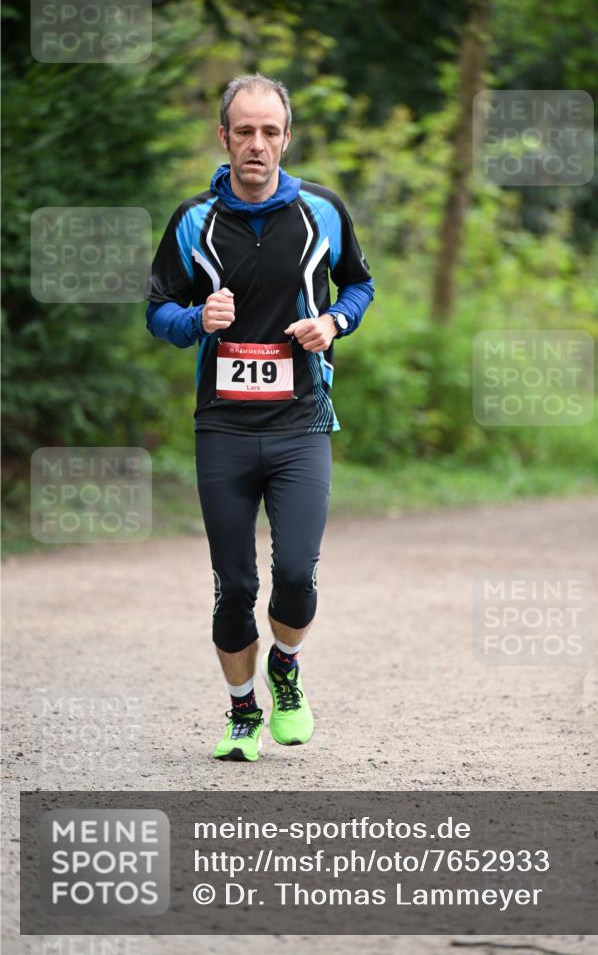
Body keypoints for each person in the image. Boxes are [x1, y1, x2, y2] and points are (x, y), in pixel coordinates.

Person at [145, 74, 373, 761]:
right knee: (235, 584)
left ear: (286, 136)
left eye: (269, 131)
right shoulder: (193, 220)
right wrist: (194, 318)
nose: (256, 144)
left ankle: (284, 667)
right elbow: (158, 310)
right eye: (243, 130)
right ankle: (242, 711)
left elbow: (358, 283)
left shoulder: (321, 210)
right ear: (223, 137)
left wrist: (334, 321)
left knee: (297, 574)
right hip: (222, 428)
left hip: (300, 422)